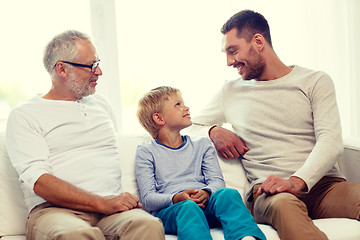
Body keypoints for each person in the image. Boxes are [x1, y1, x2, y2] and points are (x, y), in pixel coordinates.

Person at [188, 9, 360, 240]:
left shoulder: (315, 81)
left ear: (258, 41)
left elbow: (329, 140)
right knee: (283, 206)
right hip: (269, 193)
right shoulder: (230, 91)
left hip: (325, 187)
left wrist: (296, 181)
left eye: (233, 51)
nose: (229, 61)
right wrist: (213, 130)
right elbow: (188, 126)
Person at [5, 30, 164, 240]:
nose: (99, 72)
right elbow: (39, 181)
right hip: (55, 212)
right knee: (77, 235)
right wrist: (101, 202)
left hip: (111, 210)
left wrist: (111, 203)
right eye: (91, 65)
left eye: (97, 63)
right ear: (61, 68)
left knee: (148, 225)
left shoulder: (101, 106)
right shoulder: (25, 114)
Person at [135, 86, 266, 240]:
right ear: (159, 118)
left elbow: (217, 181)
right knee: (188, 207)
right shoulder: (146, 151)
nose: (186, 107)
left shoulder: (202, 144)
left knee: (228, 193)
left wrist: (207, 192)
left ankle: (247, 237)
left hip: (206, 205)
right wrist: (176, 198)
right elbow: (148, 198)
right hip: (173, 212)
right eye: (178, 105)